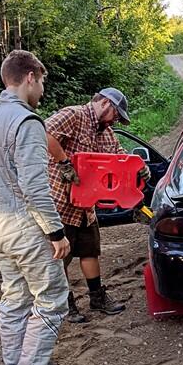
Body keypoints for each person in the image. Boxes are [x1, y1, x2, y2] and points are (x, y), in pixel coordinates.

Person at [0, 50, 73, 365]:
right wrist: (56, 232)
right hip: (25, 225)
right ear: (30, 77)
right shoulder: (27, 123)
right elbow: (35, 187)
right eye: (41, 81)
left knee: (14, 297)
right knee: (53, 298)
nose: (42, 89)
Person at [45, 87, 150, 323]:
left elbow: (120, 157)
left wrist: (138, 167)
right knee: (60, 257)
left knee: (90, 251)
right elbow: (45, 133)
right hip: (60, 204)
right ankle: (65, 304)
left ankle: (97, 298)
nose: (116, 120)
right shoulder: (73, 115)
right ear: (105, 104)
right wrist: (64, 162)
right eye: (116, 115)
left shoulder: (106, 132)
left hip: (86, 207)